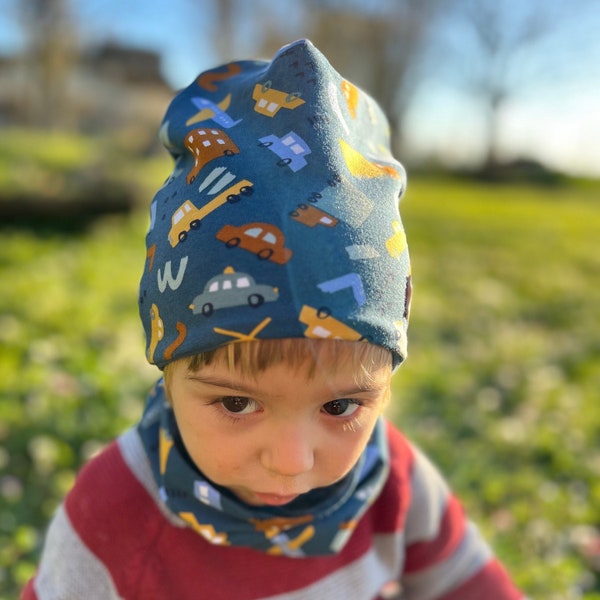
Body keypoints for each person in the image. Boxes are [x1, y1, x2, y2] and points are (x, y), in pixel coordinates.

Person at [23, 39, 525, 599]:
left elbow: (468, 585)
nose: (291, 462)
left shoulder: (393, 485)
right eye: (236, 403)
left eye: (339, 407)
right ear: (165, 372)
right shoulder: (115, 516)